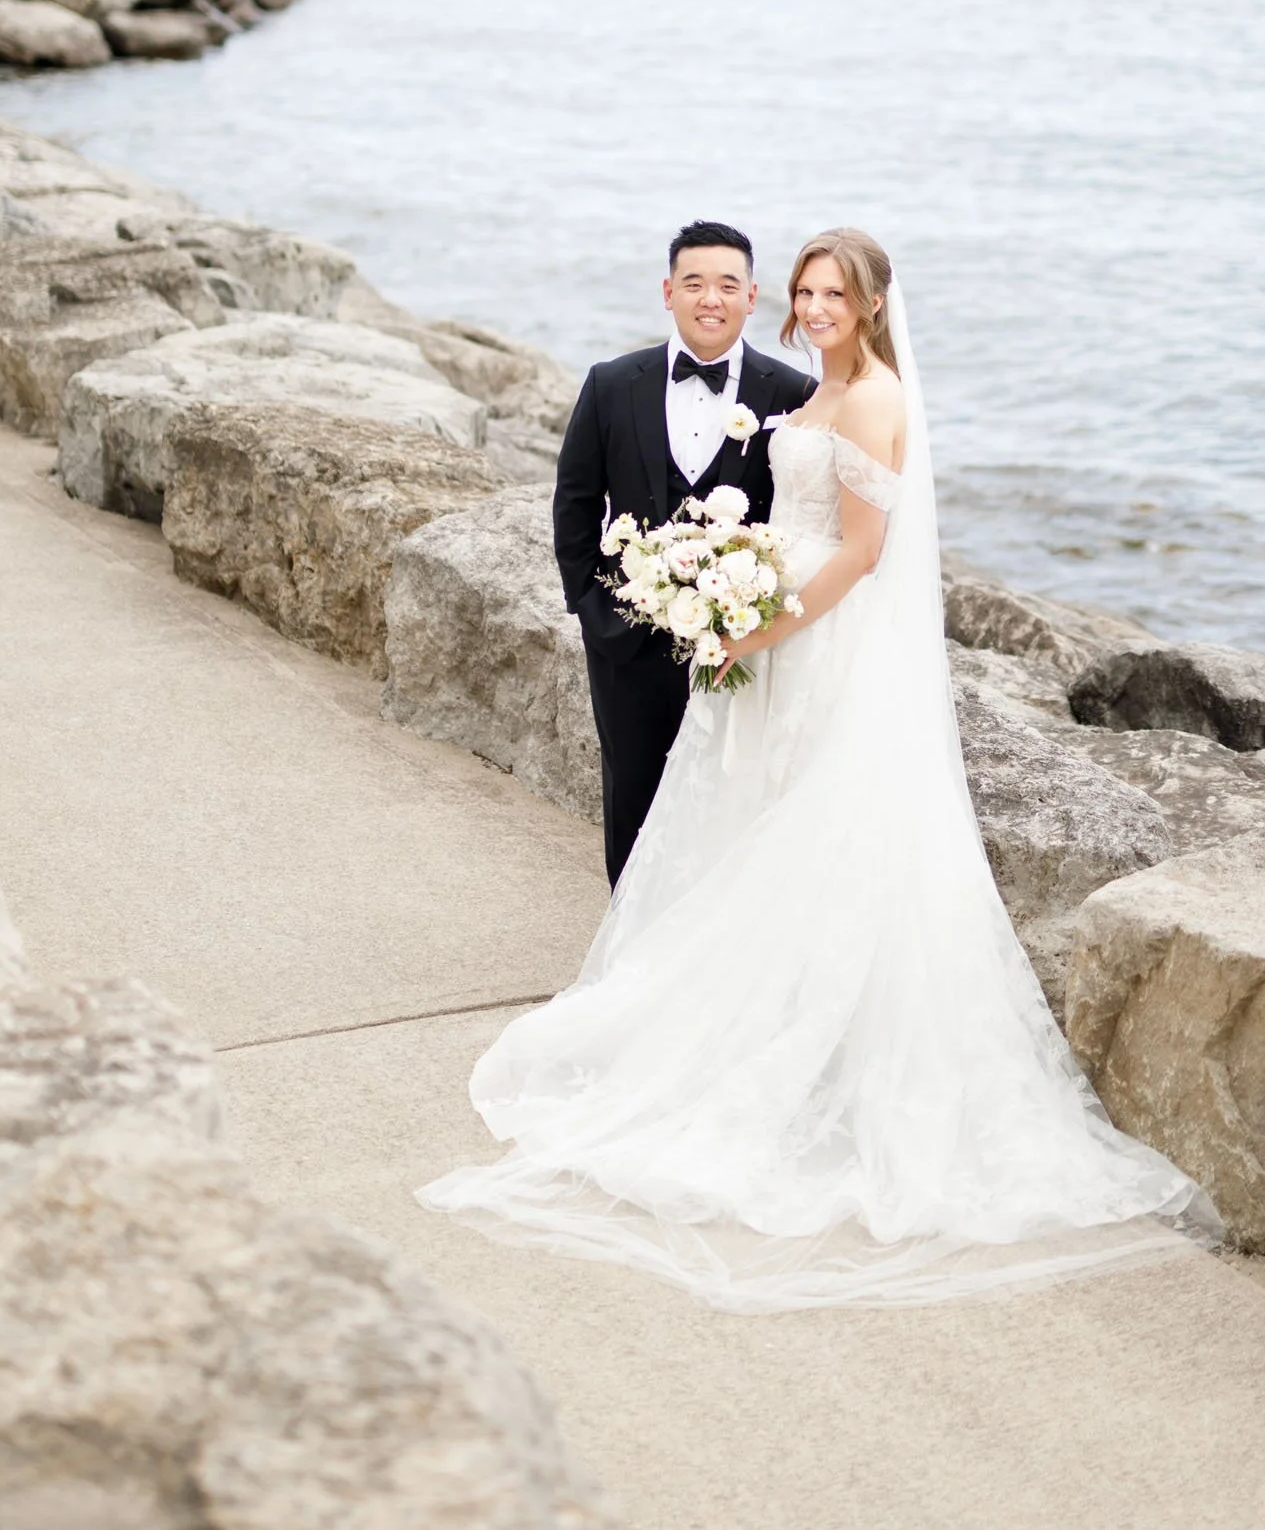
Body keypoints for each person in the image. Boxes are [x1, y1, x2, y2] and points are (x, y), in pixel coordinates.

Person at [419, 228, 1215, 1310]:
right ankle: (696, 1005)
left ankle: (802, 1046)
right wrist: (684, 607)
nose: (814, 305)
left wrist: (754, 628)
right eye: (804, 290)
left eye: (829, 291)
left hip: (809, 645)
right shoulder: (778, 393)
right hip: (744, 637)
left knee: (819, 828)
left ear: (870, 302)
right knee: (726, 822)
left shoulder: (868, 395)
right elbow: (602, 511)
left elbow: (865, 550)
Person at [551, 218, 816, 887]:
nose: (710, 298)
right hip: (626, 640)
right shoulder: (612, 383)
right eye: (693, 283)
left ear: (753, 297)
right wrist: (591, 608)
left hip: (740, 645)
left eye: (727, 285)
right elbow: (575, 503)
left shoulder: (790, 394)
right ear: (667, 291)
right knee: (633, 799)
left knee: (730, 802)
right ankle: (626, 953)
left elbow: (800, 515)